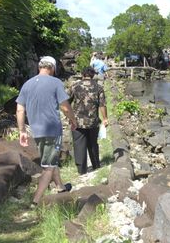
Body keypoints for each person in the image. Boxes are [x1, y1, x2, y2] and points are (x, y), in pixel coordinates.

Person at [16, 56, 77, 206]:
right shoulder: (56, 82)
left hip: (36, 130)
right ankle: (35, 201)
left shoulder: (27, 84)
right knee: (49, 166)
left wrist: (22, 131)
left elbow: (19, 109)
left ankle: (61, 187)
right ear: (52, 68)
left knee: (51, 158)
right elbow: (64, 107)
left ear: (39, 67)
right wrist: (73, 119)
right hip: (51, 130)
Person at [68, 66, 108, 175]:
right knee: (93, 144)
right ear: (93, 75)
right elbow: (102, 105)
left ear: (82, 74)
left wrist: (70, 117)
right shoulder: (98, 87)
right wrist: (105, 119)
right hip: (93, 121)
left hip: (77, 122)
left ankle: (81, 170)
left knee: (79, 145)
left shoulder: (74, 86)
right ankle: (96, 166)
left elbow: (66, 102)